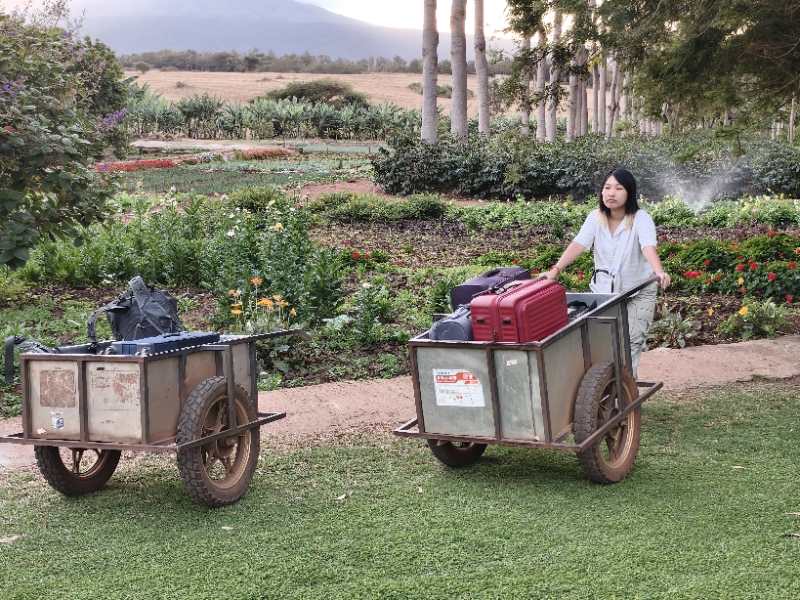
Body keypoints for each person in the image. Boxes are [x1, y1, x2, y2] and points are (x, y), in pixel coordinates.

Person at [541, 168, 671, 378]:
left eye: (618, 188)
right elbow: (579, 244)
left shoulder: (641, 218)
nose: (611, 193)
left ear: (629, 193)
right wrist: (555, 270)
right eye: (607, 188)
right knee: (602, 342)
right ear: (601, 193)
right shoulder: (595, 218)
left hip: (639, 290)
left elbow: (648, 246)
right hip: (605, 292)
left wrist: (659, 271)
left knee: (630, 342)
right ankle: (607, 392)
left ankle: (626, 397)